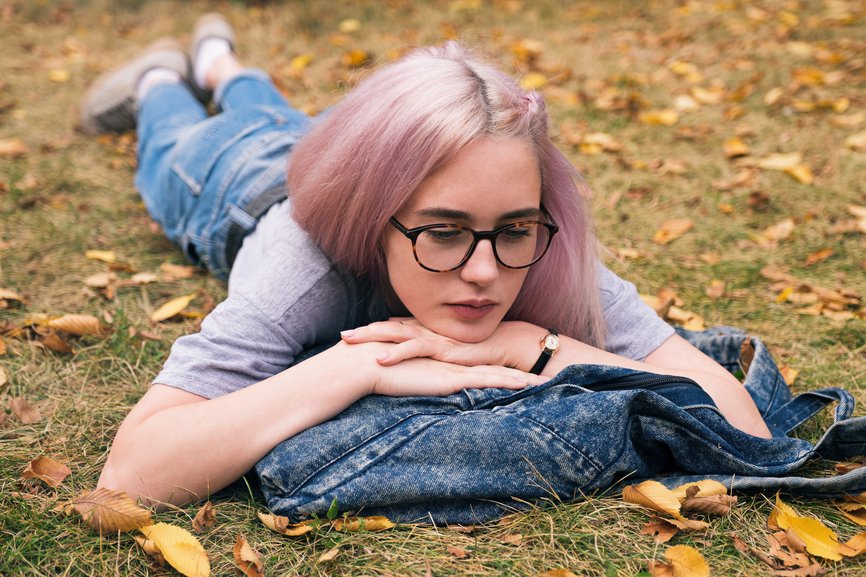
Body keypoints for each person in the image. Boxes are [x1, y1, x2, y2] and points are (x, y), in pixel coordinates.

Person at [83, 14, 771, 509]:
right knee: (170, 133)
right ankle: (159, 78)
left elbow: (746, 429)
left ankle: (222, 65)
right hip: (228, 177)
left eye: (513, 228)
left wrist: (534, 343)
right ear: (371, 217)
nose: (484, 271)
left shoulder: (545, 248)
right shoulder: (302, 270)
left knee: (276, 110)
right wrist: (361, 365)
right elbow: (132, 471)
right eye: (443, 232)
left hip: (324, 138)